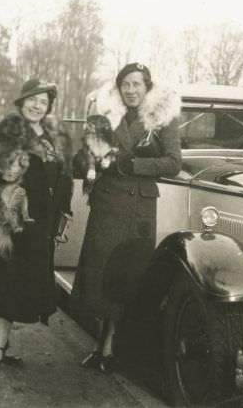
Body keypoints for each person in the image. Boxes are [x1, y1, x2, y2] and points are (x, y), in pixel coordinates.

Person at [70, 62, 181, 374]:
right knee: (103, 275)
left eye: (137, 84)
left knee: (127, 276)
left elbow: (173, 163)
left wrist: (132, 165)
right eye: (125, 85)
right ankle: (101, 347)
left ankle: (114, 348)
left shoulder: (162, 119)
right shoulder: (105, 117)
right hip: (107, 204)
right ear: (118, 89)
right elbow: (83, 162)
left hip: (138, 209)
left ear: (148, 87)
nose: (131, 90)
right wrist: (87, 157)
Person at [0, 79, 74, 370]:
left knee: (21, 288)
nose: (37, 105)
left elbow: (63, 177)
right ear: (22, 101)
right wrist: (1, 170)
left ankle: (1, 348)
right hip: (10, 225)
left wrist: (63, 214)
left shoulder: (53, 136)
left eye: (44, 101)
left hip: (41, 226)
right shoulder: (8, 130)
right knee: (3, 284)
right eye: (33, 99)